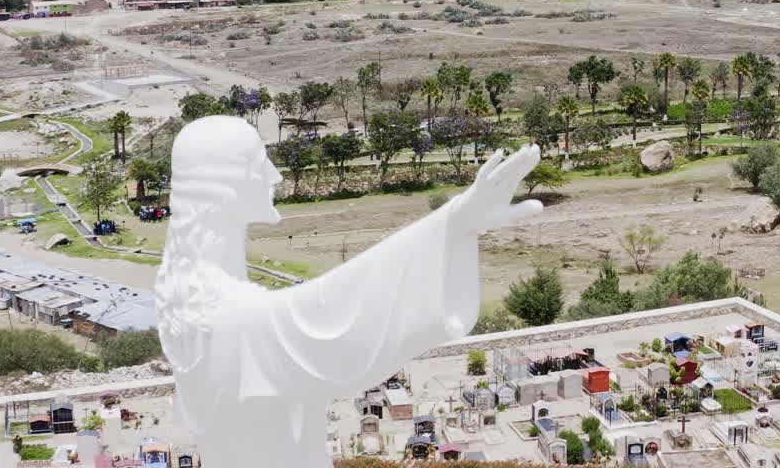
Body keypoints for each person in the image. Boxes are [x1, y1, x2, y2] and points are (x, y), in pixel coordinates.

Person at [156, 116, 543, 468]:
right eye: (259, 165)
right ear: (225, 185)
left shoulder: (185, 298)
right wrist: (454, 223)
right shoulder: (236, 317)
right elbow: (331, 319)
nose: (274, 176)